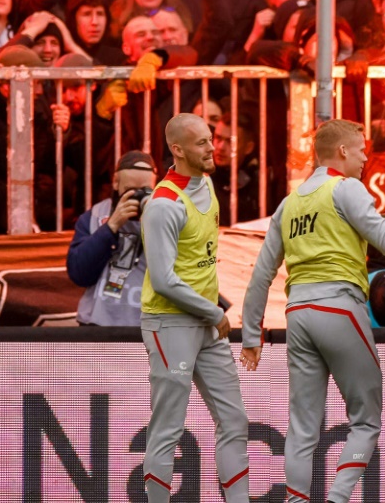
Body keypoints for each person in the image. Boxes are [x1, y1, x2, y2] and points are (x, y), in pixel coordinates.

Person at [241, 119, 385, 502]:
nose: (366, 157)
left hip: (298, 312)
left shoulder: (290, 202)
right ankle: (337, 499)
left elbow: (261, 274)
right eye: (362, 149)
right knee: (366, 421)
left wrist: (251, 335)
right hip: (340, 307)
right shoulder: (347, 188)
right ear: (343, 151)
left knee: (301, 427)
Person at [139, 113, 250, 503]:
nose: (212, 147)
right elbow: (164, 280)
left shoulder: (206, 183)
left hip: (204, 322)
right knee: (168, 427)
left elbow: (197, 263)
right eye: (202, 142)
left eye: (211, 139)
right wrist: (214, 312)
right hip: (170, 324)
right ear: (177, 150)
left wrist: (210, 312)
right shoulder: (163, 203)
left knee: (234, 420)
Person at [66, 151, 159, 326]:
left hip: (152, 327)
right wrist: (110, 227)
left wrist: (158, 224)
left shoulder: (169, 215)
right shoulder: (95, 216)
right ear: (116, 182)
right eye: (131, 191)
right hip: (99, 325)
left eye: (145, 190)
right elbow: (79, 273)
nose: (137, 197)